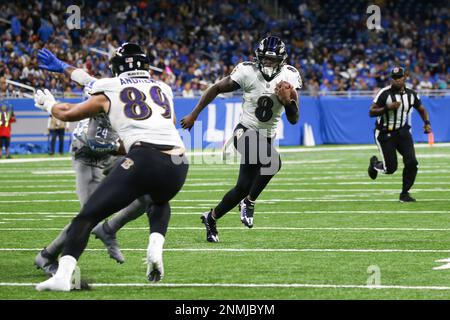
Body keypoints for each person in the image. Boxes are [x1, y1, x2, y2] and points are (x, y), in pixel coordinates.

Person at [34, 43, 188, 291]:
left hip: (142, 158)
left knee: (87, 215)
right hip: (178, 163)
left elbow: (68, 112)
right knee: (157, 200)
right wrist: (63, 66)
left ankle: (63, 275)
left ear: (117, 67)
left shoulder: (110, 87)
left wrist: (48, 104)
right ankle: (155, 246)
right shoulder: (164, 88)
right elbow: (166, 124)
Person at [181, 36, 301, 242]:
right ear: (258, 57)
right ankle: (249, 202)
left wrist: (287, 102)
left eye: (273, 61)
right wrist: (194, 114)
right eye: (266, 59)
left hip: (267, 137)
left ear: (282, 60)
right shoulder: (247, 72)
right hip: (244, 132)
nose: (269, 64)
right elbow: (216, 88)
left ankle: (211, 218)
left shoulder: (290, 76)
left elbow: (293, 118)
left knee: (241, 188)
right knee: (273, 162)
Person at [367, 66, 432, 202]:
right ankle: (374, 164)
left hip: (402, 132)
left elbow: (421, 108)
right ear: (391, 79)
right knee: (390, 169)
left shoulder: (411, 94)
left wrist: (426, 123)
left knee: (412, 162)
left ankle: (405, 193)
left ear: (405, 77)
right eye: (394, 78)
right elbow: (371, 112)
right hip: (385, 133)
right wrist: (387, 108)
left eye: (399, 78)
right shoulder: (384, 93)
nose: (397, 80)